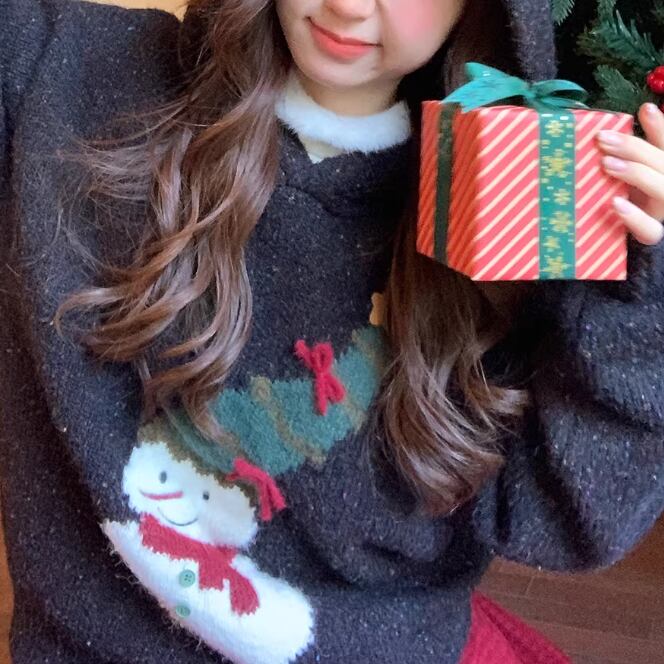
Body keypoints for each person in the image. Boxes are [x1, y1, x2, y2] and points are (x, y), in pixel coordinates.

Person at [1, 0, 663, 662]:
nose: (346, 6)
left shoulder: (521, 204)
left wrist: (641, 303)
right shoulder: (75, 75)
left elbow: (565, 520)